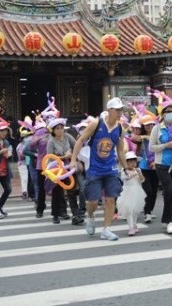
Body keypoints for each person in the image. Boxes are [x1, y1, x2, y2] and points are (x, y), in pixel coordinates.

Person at [69, 97, 128, 241]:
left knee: (110, 200)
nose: (120, 112)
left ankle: (106, 229)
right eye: (117, 109)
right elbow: (81, 140)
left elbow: (120, 151)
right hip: (94, 170)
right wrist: (73, 160)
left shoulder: (120, 129)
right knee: (93, 202)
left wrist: (126, 168)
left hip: (111, 170)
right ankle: (90, 216)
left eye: (121, 109)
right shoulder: (96, 124)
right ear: (109, 110)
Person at [149, 97, 172, 234]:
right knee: (169, 189)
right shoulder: (157, 128)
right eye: (167, 111)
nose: (170, 113)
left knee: (171, 192)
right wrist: (166, 145)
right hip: (161, 164)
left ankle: (168, 219)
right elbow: (151, 147)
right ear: (162, 114)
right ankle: (169, 220)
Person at [45, 117, 77, 224]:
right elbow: (50, 157)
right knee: (57, 192)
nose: (60, 130)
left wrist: (73, 155)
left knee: (72, 191)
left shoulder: (68, 137)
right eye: (57, 128)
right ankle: (55, 214)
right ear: (53, 130)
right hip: (56, 169)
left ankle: (76, 215)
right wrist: (64, 156)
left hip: (69, 168)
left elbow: (77, 145)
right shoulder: (51, 141)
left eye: (61, 128)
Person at [135, 113, 158, 224]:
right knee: (147, 189)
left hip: (157, 165)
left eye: (151, 125)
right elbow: (133, 137)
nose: (149, 127)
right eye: (146, 125)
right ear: (143, 127)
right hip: (144, 166)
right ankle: (147, 212)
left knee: (154, 190)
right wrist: (145, 137)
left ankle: (150, 210)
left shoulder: (159, 136)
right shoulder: (141, 137)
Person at [118, 151, 146, 236]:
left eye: (134, 161)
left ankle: (134, 224)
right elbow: (124, 178)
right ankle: (131, 227)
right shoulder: (124, 171)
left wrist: (139, 173)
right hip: (127, 191)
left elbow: (142, 180)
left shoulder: (138, 170)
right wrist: (131, 174)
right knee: (129, 210)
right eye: (130, 161)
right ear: (126, 163)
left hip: (137, 191)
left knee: (135, 210)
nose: (132, 163)